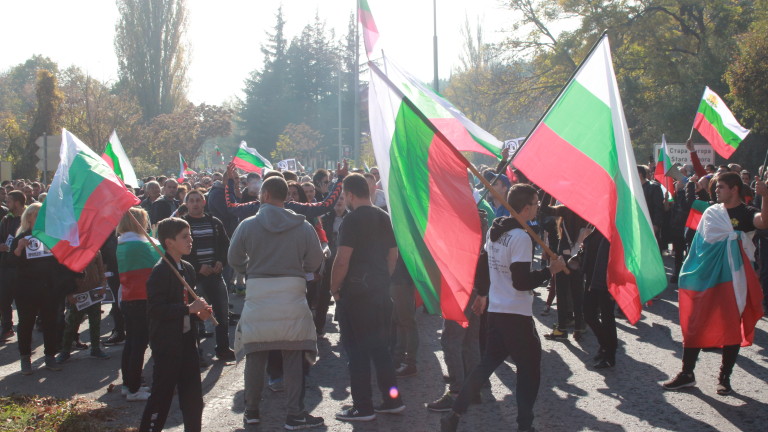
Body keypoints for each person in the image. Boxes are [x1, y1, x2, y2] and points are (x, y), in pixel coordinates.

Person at [441, 184, 566, 432]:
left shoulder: (495, 230)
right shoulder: (521, 237)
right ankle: (525, 426)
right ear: (526, 207)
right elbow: (521, 282)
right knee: (529, 371)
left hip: (497, 312)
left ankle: (454, 414)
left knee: (486, 365)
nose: (538, 208)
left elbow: (484, 263)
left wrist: (483, 293)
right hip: (516, 315)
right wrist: (549, 271)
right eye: (536, 203)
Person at [228, 176, 325, 430]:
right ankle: (295, 414)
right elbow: (315, 261)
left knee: (256, 354)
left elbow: (233, 257)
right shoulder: (303, 226)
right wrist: (298, 268)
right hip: (292, 295)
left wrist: (249, 269)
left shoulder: (247, 225)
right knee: (293, 355)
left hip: (258, 295)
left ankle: (251, 411)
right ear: (286, 196)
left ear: (266, 195)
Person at [663, 172, 768, 395]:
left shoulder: (747, 212)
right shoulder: (712, 211)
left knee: (730, 325)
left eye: (720, 187)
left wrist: (765, 196)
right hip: (706, 278)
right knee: (695, 323)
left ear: (734, 189)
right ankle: (687, 373)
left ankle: (724, 378)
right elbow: (699, 246)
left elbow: (763, 221)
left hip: (733, 280)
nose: (716, 191)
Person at [331, 174, 405, 422]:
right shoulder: (383, 217)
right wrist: (382, 279)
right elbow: (393, 255)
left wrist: (334, 288)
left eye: (344, 196)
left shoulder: (351, 220)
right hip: (381, 293)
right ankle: (392, 400)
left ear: (350, 195)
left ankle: (363, 407)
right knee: (381, 349)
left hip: (356, 295)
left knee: (357, 352)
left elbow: (342, 260)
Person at [139, 218, 212, 432]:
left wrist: (200, 314)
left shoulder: (188, 268)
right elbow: (156, 310)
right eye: (185, 236)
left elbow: (189, 306)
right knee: (161, 396)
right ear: (169, 242)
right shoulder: (160, 272)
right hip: (167, 344)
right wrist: (188, 309)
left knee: (193, 397)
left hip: (187, 341)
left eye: (190, 235)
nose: (191, 240)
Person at [12, 203, 74, 374]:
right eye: (37, 215)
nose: (41, 218)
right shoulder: (21, 238)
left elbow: (60, 263)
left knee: (50, 323)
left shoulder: (52, 237)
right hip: (26, 290)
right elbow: (11, 263)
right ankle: (25, 358)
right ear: (29, 218)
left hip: (49, 288)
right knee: (26, 324)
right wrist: (19, 248)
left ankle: (50, 356)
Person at [181, 189, 234, 361]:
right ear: (187, 204)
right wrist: (197, 267)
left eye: (198, 200)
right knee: (195, 317)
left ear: (204, 202)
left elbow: (226, 245)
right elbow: (179, 251)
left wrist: (220, 261)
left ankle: (223, 348)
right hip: (194, 278)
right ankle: (195, 354)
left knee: (222, 314)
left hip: (215, 275)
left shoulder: (215, 222)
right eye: (192, 201)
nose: (195, 204)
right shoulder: (182, 225)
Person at [116, 207, 161, 401]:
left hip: (128, 298)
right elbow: (160, 257)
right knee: (139, 345)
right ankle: (134, 388)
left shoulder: (122, 242)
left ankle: (128, 384)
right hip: (141, 298)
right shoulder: (141, 245)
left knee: (131, 343)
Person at [56, 251, 110, 363]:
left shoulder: (96, 251)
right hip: (76, 294)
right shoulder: (70, 251)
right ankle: (65, 351)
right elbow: (63, 275)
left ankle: (95, 349)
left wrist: (103, 285)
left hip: (94, 293)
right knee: (72, 324)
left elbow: (101, 270)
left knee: (95, 322)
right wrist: (69, 294)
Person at [0, 190, 24, 342]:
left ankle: (25, 329)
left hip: (23, 267)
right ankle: (7, 327)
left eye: (9, 201)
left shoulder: (28, 218)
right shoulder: (6, 220)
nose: (6, 203)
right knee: (4, 298)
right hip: (5, 265)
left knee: (23, 301)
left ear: (17, 202)